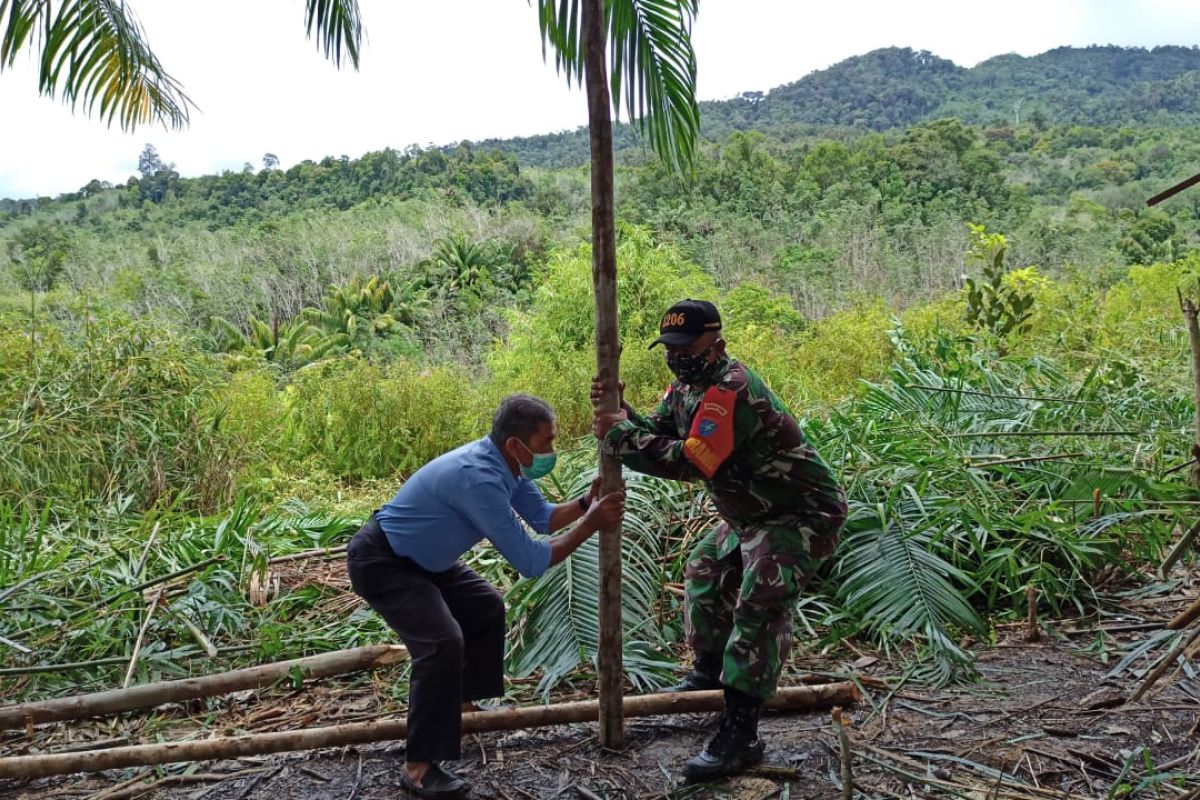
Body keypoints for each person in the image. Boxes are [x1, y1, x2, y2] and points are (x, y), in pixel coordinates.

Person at [592, 299, 847, 781]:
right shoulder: (686, 388)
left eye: (687, 347)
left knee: (759, 603)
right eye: (670, 348)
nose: (677, 356)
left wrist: (622, 439)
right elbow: (660, 431)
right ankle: (709, 671)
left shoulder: (731, 391)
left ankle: (740, 733)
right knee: (705, 571)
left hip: (799, 514)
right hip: (750, 516)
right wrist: (622, 413)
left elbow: (693, 460)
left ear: (717, 344)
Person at [348, 394, 625, 799]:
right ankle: (418, 767)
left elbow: (542, 517)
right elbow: (531, 560)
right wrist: (590, 524)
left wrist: (585, 503)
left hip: (426, 561)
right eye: (546, 441)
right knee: (441, 643)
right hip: (383, 561)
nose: (551, 450)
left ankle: (461, 707)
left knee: (485, 607)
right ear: (517, 444)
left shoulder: (505, 465)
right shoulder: (478, 477)